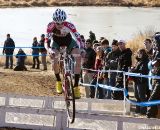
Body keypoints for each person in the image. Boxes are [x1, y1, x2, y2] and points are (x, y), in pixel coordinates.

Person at [44, 8, 84, 98]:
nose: (60, 25)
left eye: (62, 22)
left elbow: (78, 38)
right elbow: (46, 41)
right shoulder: (50, 26)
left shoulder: (69, 25)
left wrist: (82, 49)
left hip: (69, 41)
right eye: (58, 23)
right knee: (54, 59)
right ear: (54, 21)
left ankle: (76, 86)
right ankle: (58, 81)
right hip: (56, 42)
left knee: (78, 58)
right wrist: (49, 50)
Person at [146, 33, 160, 118]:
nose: (154, 43)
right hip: (155, 78)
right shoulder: (156, 51)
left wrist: (152, 63)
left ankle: (149, 117)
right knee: (154, 100)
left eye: (155, 42)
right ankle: (153, 118)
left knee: (152, 99)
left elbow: (156, 63)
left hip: (159, 80)